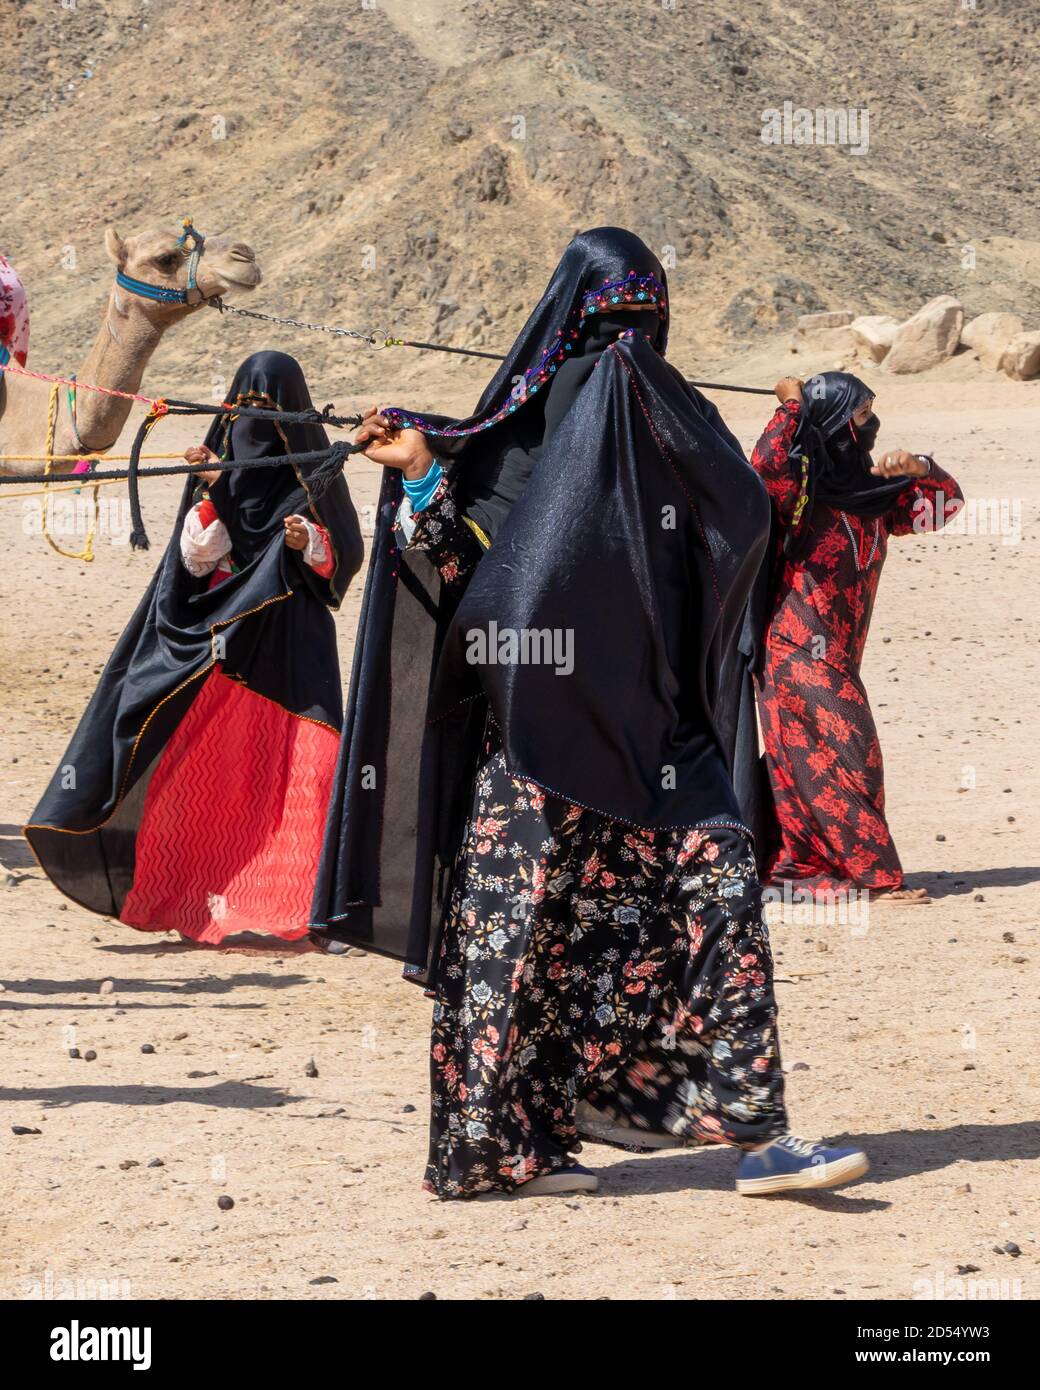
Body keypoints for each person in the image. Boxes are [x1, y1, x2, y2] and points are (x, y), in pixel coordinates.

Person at [311, 227, 868, 1198]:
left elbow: (739, 523)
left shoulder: (665, 417)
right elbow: (464, 566)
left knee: (715, 896)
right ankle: (487, 1152)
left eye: (641, 324)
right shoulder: (512, 444)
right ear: (571, 323)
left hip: (652, 737)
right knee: (509, 931)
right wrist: (424, 470)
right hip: (531, 738)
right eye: (609, 322)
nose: (627, 345)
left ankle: (758, 1133)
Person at [25, 350, 364, 944]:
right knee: (210, 766)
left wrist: (308, 538)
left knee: (306, 769)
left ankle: (310, 907)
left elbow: (341, 559)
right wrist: (215, 494)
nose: (256, 420)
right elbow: (195, 559)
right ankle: (197, 901)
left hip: (294, 638)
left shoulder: (317, 472)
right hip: (223, 637)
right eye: (246, 405)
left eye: (269, 408)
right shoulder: (218, 468)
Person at [749, 373, 963, 901]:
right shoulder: (798, 495)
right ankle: (878, 878)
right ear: (836, 425)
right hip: (794, 648)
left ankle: (806, 867)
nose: (872, 426)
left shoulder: (873, 498)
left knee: (815, 765)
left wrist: (922, 468)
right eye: (862, 415)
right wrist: (792, 406)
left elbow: (942, 508)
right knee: (853, 754)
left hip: (837, 655)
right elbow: (770, 464)